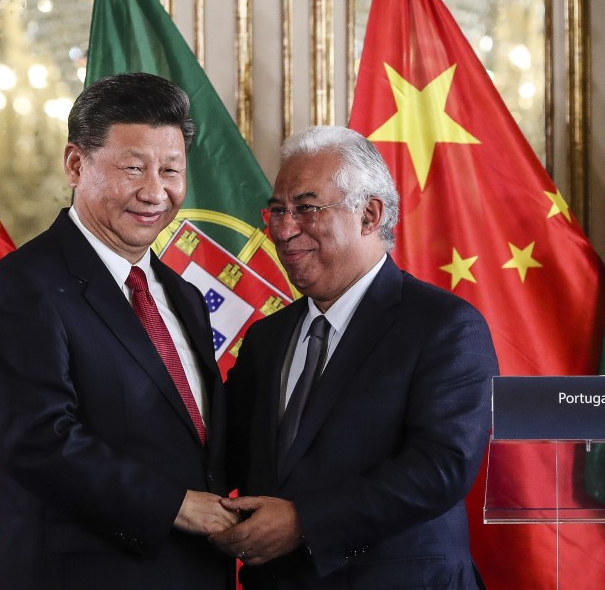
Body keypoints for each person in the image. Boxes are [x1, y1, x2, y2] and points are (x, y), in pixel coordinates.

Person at [0, 72, 238, 589]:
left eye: (171, 170)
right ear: (76, 164)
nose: (155, 192)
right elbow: (38, 441)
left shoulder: (182, 295)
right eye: (133, 168)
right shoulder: (24, 286)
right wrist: (177, 506)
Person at [212, 126, 498, 589]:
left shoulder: (444, 326)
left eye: (306, 208)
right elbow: (225, 453)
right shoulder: (268, 338)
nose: (283, 230)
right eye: (277, 211)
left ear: (369, 215)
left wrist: (304, 522)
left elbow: (441, 468)